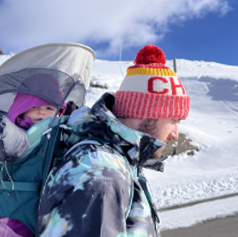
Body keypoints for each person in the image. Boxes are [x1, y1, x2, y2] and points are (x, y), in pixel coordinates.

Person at [36, 45, 190, 237]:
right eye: (174, 120)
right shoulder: (101, 172)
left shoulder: (120, 159)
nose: (175, 134)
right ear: (147, 113)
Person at [0, 92, 66, 237]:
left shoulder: (60, 136)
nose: (41, 111)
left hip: (44, 211)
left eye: (49, 108)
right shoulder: (11, 133)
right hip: (12, 210)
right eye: (34, 106)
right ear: (21, 109)